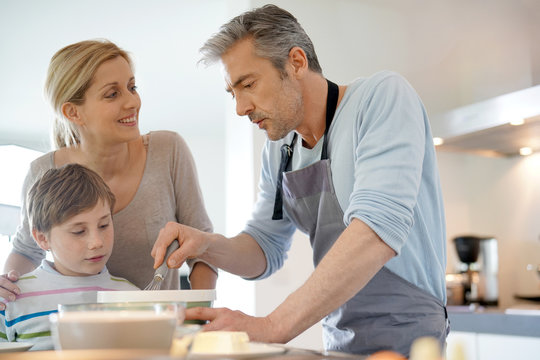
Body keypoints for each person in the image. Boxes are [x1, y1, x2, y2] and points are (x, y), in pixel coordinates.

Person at [151, 4, 448, 357]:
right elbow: (264, 248)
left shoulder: (381, 98)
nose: (240, 108)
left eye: (248, 84)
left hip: (410, 337)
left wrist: (272, 326)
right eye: (233, 93)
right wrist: (205, 245)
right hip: (338, 337)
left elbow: (376, 231)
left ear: (296, 62)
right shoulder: (279, 152)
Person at [0, 39, 216, 308]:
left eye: (132, 87)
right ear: (73, 112)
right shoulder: (43, 171)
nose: (132, 102)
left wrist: (201, 312)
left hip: (158, 330)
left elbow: (202, 245)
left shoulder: (168, 150)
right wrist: (6, 288)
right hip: (76, 332)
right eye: (112, 94)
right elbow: (25, 250)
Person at [0, 164, 139, 350]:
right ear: (42, 239)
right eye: (79, 231)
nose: (96, 242)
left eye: (104, 225)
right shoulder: (11, 300)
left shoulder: (134, 298)